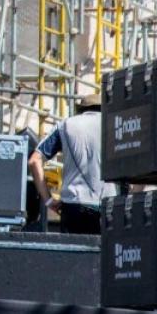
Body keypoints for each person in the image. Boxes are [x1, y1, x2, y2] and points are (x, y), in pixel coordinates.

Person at [28, 93, 114, 234]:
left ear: (81, 109)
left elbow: (34, 161)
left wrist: (49, 200)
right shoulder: (115, 125)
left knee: (73, 254)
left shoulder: (66, 125)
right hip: (109, 206)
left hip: (73, 204)